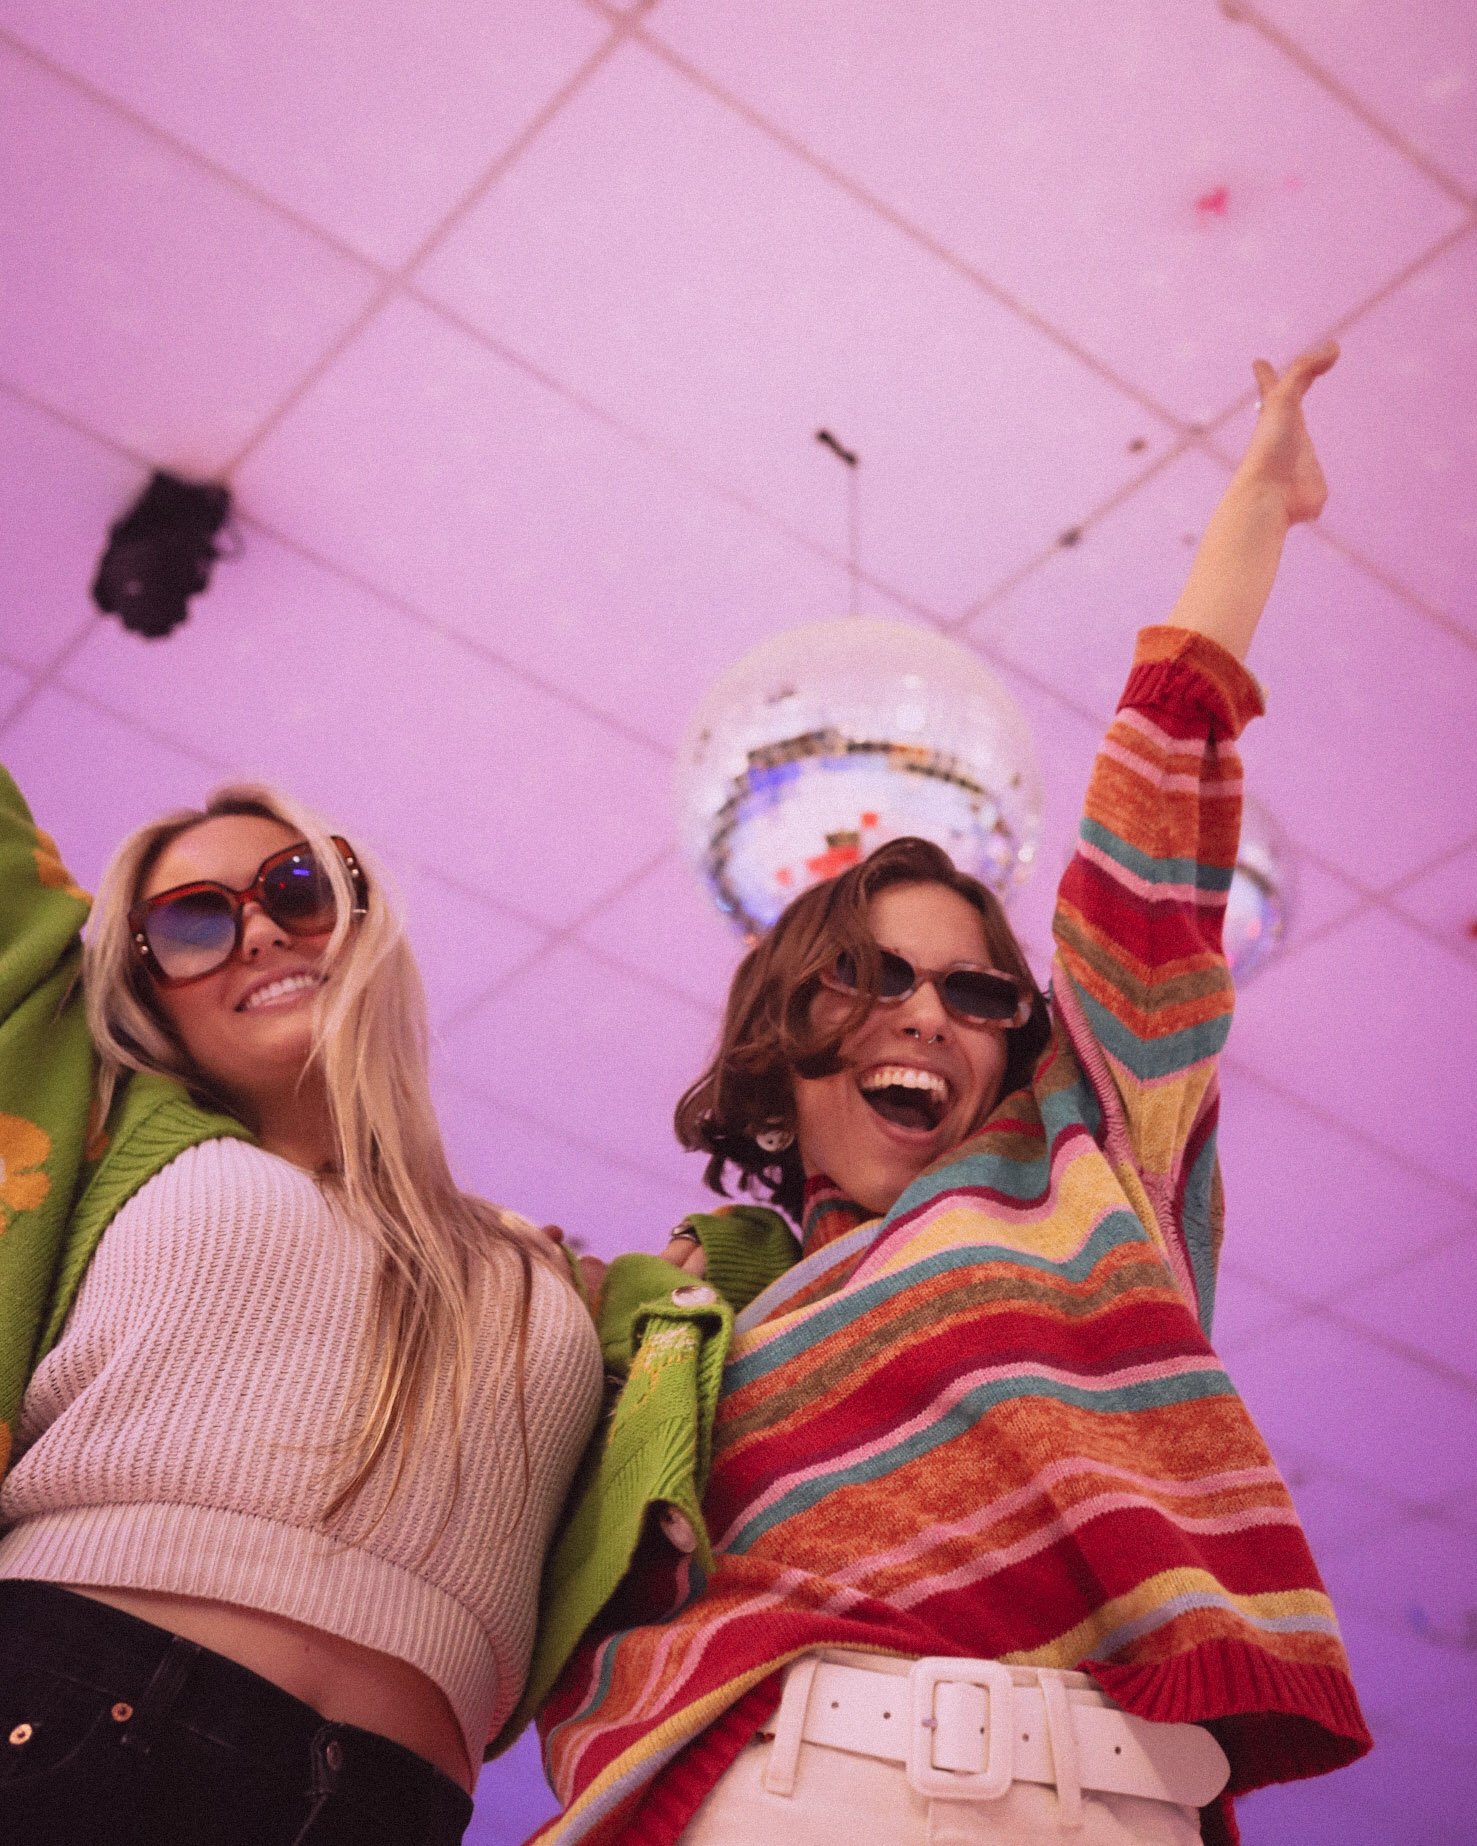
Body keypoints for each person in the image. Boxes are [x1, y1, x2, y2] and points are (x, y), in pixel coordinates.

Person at [511, 343, 1371, 1846]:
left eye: (977, 990)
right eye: (873, 980)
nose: (929, 1012)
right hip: (791, 1793)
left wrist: (1256, 502)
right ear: (778, 1065)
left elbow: (1142, 847)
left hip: (1106, 1798)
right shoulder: (689, 1328)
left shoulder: (1082, 1164)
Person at [0, 777, 604, 1844]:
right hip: (67, 1709)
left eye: (299, 889)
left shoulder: (551, 1267)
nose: (264, 931)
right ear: (138, 985)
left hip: (393, 1807)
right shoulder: (113, 1126)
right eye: (191, 920)